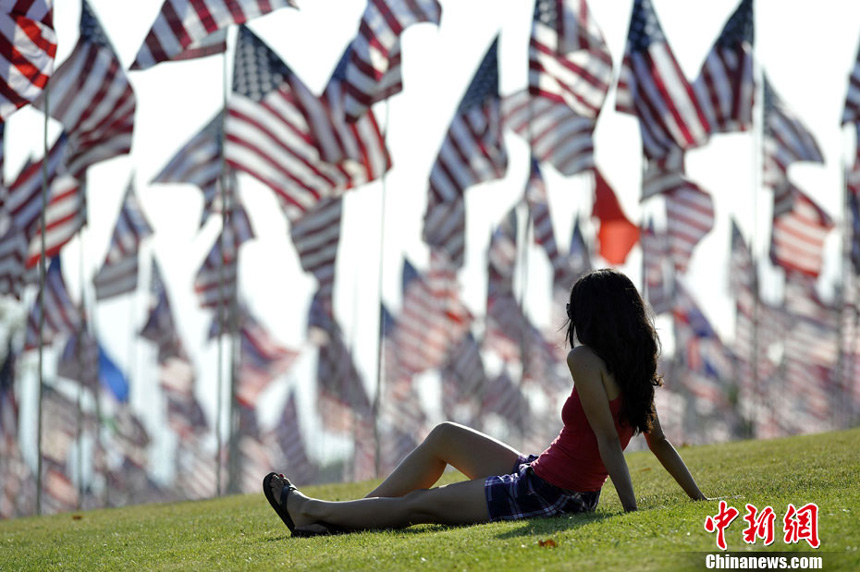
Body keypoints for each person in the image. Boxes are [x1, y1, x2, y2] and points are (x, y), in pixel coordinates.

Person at [264, 268, 707, 537]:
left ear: (591, 317)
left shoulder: (585, 360)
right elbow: (660, 443)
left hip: (546, 494)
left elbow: (611, 443)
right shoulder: (634, 361)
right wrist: (699, 499)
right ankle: (349, 516)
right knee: (444, 436)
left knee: (420, 504)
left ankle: (313, 512)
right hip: (542, 476)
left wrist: (631, 513)